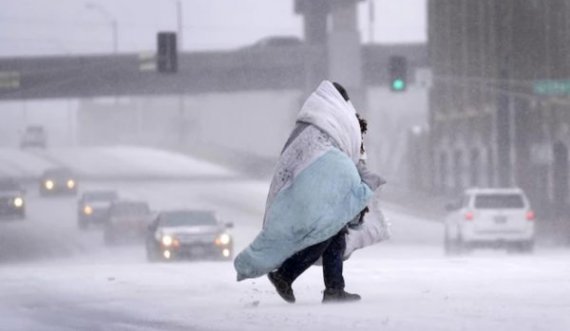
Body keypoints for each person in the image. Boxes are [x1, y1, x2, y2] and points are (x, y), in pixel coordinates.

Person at [234, 80, 384, 303]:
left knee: (334, 232)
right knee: (326, 231)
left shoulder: (310, 122)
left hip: (307, 183)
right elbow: (350, 149)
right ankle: (286, 274)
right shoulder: (338, 118)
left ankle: (334, 288)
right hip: (320, 182)